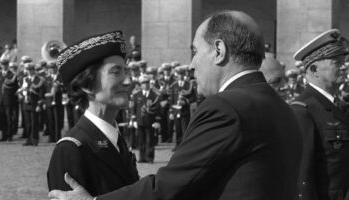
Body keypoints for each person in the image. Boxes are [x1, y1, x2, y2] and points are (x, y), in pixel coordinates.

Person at [49, 10, 302, 200]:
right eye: (117, 72)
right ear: (86, 85)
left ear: (219, 50)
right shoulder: (281, 107)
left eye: (195, 51)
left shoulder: (227, 108)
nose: (191, 65)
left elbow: (169, 187)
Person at [47, 30, 139, 196]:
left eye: (126, 72)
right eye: (116, 72)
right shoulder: (71, 149)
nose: (128, 81)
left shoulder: (115, 138)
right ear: (87, 85)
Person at [291, 29, 349, 200]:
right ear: (315, 69)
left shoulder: (338, 104)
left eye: (344, 61)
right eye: (337, 62)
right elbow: (303, 177)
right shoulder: (303, 110)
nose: (344, 66)